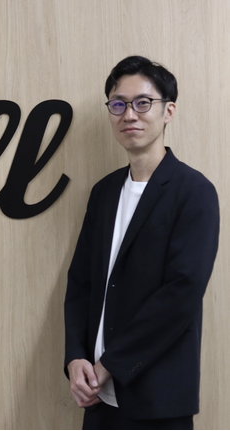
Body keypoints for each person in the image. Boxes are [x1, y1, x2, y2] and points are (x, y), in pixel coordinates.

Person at [64, 56, 219, 429]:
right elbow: (81, 283)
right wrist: (75, 357)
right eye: (118, 104)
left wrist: (110, 364)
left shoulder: (194, 191)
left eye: (143, 103)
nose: (129, 114)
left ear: (169, 111)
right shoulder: (103, 193)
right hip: (97, 397)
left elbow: (181, 293)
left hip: (158, 398)